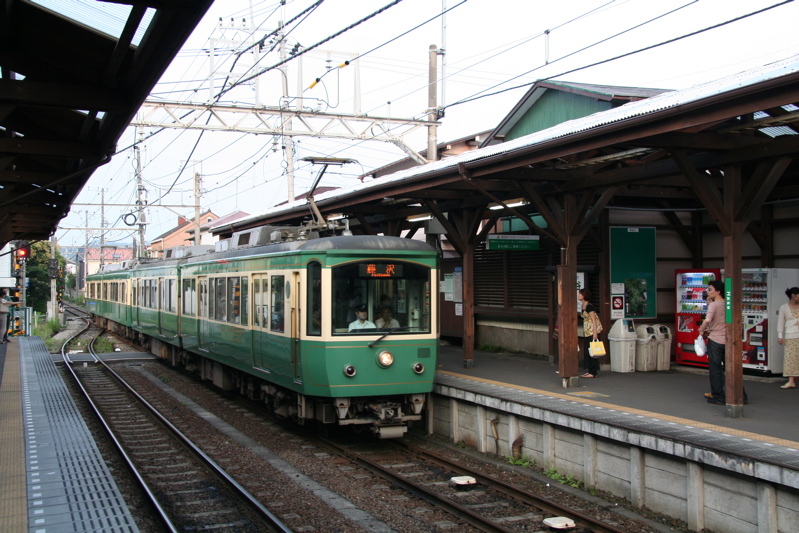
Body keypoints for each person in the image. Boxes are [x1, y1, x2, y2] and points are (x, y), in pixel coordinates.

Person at [698, 280, 748, 405]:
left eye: (710, 289)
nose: (707, 291)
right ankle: (741, 395)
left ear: (718, 292)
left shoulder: (714, 305)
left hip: (715, 340)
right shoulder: (728, 304)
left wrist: (701, 329)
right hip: (729, 340)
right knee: (731, 368)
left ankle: (718, 396)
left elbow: (708, 320)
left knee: (715, 369)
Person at [777, 287, 799, 389]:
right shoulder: (784, 307)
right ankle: (791, 380)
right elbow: (780, 322)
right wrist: (780, 335)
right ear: (793, 295)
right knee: (790, 357)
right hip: (790, 334)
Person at [578, 288, 602, 378]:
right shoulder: (583, 305)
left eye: (580, 294)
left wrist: (595, 332)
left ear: (584, 295)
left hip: (592, 330)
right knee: (589, 351)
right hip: (587, 330)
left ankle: (593, 372)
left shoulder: (589, 306)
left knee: (593, 351)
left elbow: (594, 319)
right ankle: (590, 371)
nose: (578, 295)